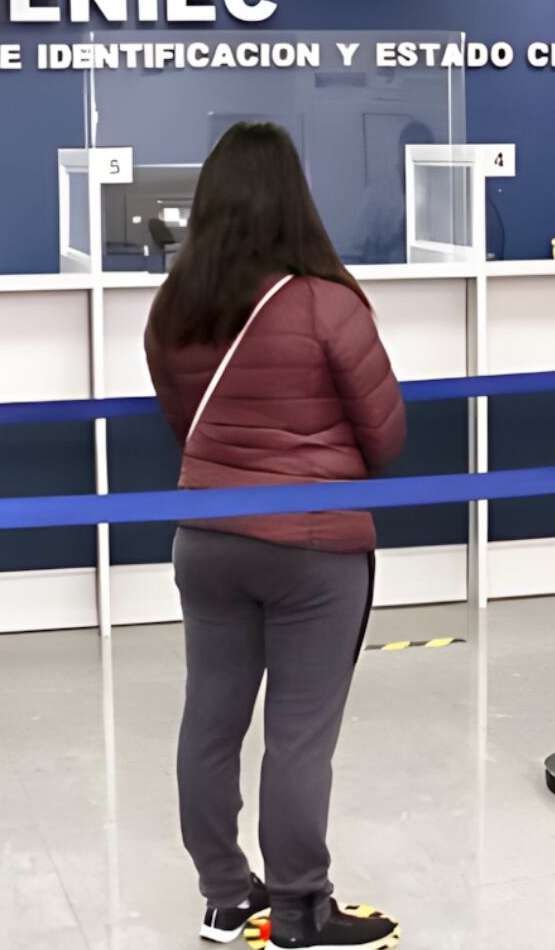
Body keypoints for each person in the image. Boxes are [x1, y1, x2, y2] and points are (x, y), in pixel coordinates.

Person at [144, 122, 406, 950]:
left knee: (210, 722)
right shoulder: (327, 301)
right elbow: (386, 435)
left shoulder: (174, 305)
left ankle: (225, 898)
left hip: (208, 536)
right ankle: (299, 909)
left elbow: (185, 424)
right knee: (300, 735)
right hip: (314, 546)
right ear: (295, 197)